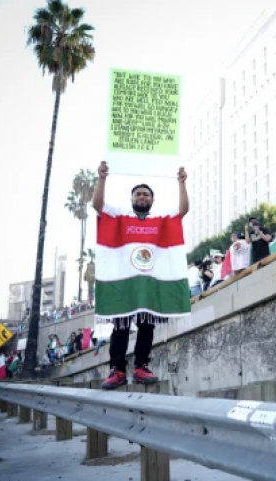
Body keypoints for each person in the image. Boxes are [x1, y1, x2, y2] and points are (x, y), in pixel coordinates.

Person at [92, 160, 191, 390]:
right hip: (124, 284)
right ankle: (117, 370)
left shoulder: (161, 219)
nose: (142, 197)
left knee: (146, 327)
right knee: (121, 326)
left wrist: (182, 183)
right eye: (138, 194)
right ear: (132, 199)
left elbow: (183, 210)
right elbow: (98, 205)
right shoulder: (119, 216)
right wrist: (102, 178)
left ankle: (141, 366)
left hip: (148, 284)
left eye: (146, 194)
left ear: (152, 200)